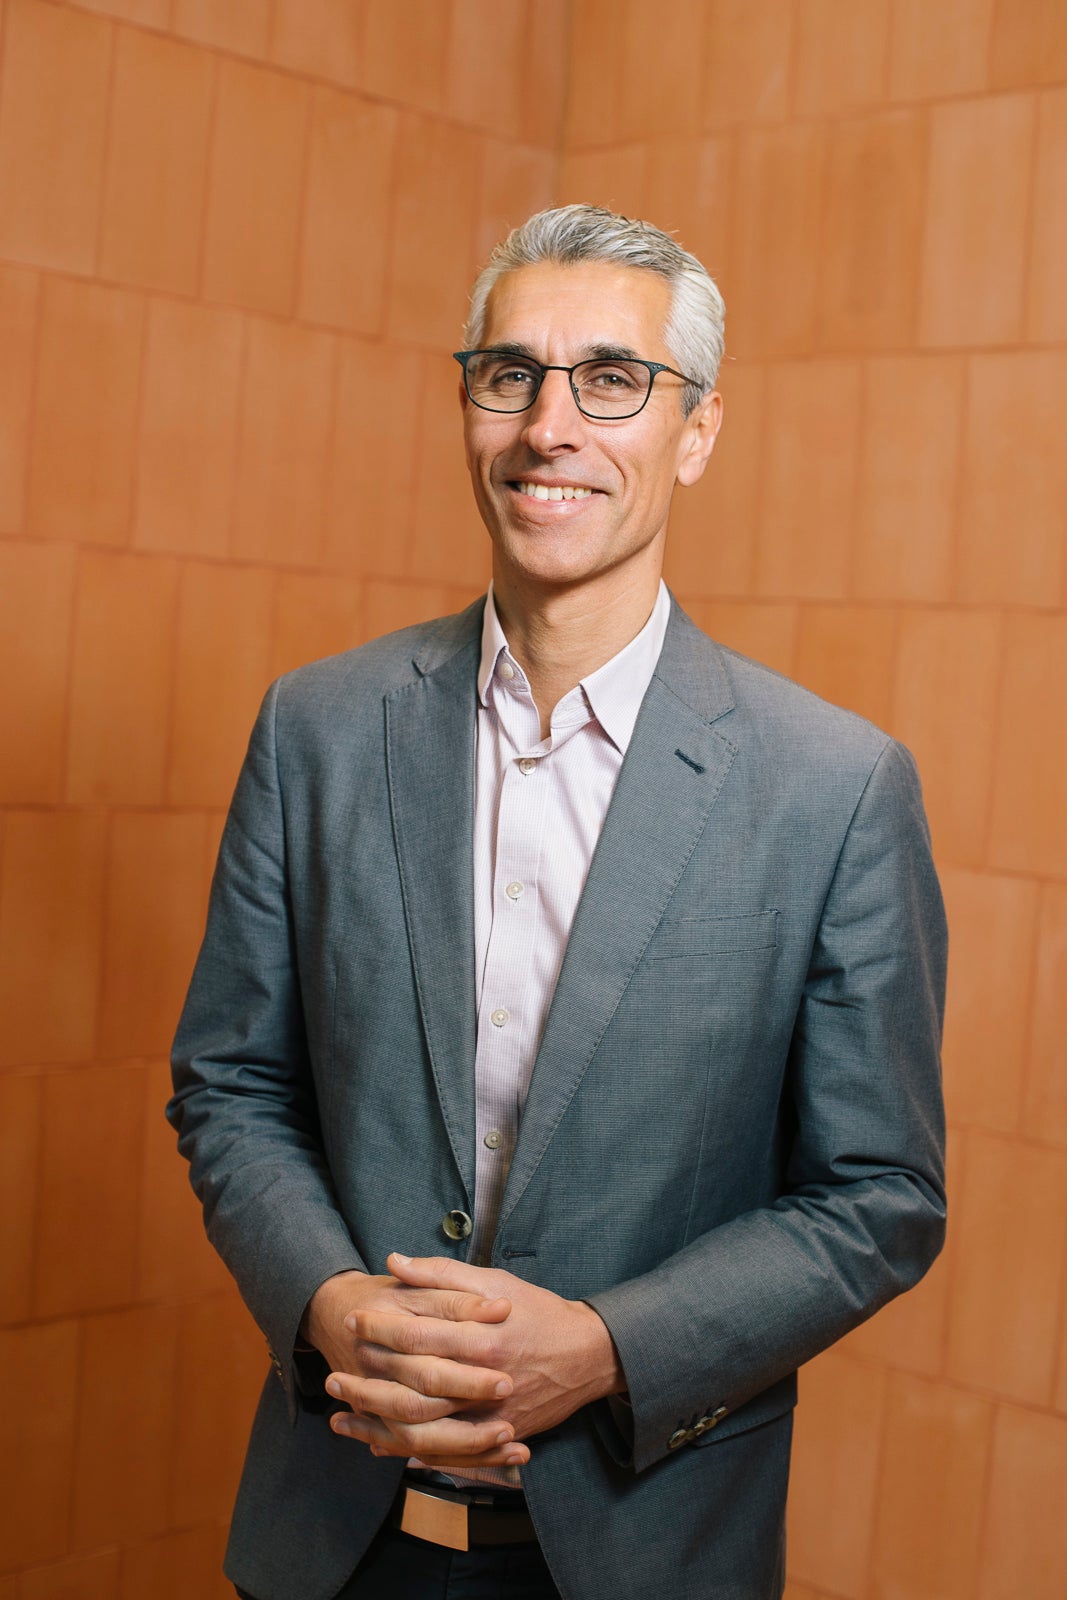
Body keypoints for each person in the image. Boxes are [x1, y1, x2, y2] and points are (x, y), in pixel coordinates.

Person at [169, 204, 947, 1600]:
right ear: (468, 405)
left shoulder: (833, 787)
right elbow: (229, 1084)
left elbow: (879, 1196)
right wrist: (332, 1309)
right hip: (333, 1543)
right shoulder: (318, 731)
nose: (551, 426)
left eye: (613, 379)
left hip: (648, 1551)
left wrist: (605, 1346)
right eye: (509, 375)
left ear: (696, 431)